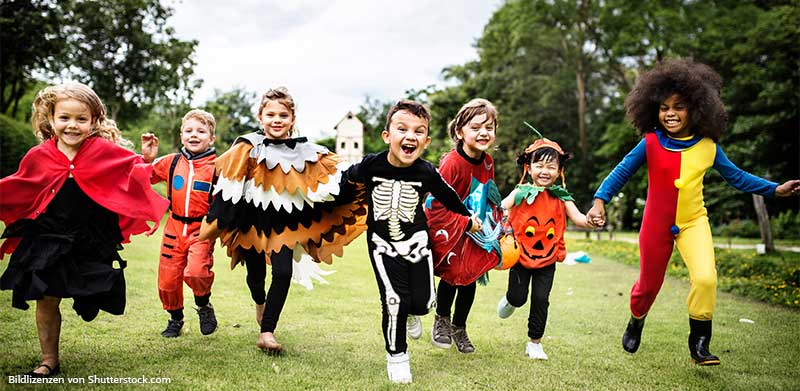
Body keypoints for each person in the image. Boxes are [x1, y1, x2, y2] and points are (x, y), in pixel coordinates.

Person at [585, 58, 800, 365]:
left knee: (705, 278)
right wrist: (599, 200)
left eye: (679, 107)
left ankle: (699, 342)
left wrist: (775, 188)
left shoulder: (709, 146)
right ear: (653, 110)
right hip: (655, 224)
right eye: (664, 108)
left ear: (697, 109)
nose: (670, 114)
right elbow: (621, 172)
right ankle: (636, 320)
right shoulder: (649, 143)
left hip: (693, 222)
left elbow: (737, 177)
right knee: (648, 286)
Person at [0, 82, 169, 377]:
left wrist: (147, 160)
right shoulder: (38, 155)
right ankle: (48, 359)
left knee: (91, 296)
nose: (72, 125)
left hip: (90, 236)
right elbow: (20, 184)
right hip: (48, 235)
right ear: (51, 119)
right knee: (46, 295)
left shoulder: (103, 151)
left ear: (94, 122)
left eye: (81, 119)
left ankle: (86, 301)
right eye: (64, 118)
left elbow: (134, 176)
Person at [199, 87, 366, 354]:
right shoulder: (246, 147)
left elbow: (339, 173)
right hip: (250, 223)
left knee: (283, 272)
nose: (277, 120)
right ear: (260, 117)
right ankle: (259, 302)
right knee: (256, 276)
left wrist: (372, 169)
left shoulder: (308, 151)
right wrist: (215, 222)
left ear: (292, 118)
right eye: (271, 114)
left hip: (285, 226)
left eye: (283, 115)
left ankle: (267, 332)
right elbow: (222, 179)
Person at [345, 100, 481, 384]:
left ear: (426, 141)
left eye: (419, 132)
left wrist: (469, 218)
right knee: (394, 300)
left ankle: (411, 313)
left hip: (418, 241)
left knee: (422, 302)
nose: (410, 136)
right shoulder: (372, 164)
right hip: (381, 244)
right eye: (402, 129)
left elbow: (449, 197)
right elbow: (344, 181)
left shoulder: (426, 171)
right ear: (387, 136)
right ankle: (397, 357)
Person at [496, 130, 596, 360]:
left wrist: (591, 221)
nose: (545, 171)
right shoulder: (521, 192)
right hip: (520, 257)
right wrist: (500, 219)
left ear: (559, 171)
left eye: (551, 166)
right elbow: (502, 206)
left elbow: (579, 218)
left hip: (548, 259)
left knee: (541, 299)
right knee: (519, 297)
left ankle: (535, 343)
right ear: (528, 168)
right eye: (539, 165)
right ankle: (511, 300)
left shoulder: (562, 196)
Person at [424, 98, 502, 354]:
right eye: (476, 127)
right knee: (452, 277)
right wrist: (463, 223)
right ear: (460, 131)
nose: (483, 133)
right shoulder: (452, 163)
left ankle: (460, 327)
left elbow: (487, 193)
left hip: (476, 232)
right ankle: (442, 320)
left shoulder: (488, 161)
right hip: (453, 230)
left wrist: (497, 221)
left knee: (470, 280)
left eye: (489, 127)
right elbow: (436, 203)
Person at [140, 109, 218, 338]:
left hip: (201, 230)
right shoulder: (171, 162)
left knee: (196, 272)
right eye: (189, 130)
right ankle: (175, 319)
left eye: (201, 131)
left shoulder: (218, 167)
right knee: (168, 280)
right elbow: (145, 176)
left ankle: (204, 306)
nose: (194, 135)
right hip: (173, 228)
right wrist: (147, 159)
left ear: (211, 138)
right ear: (181, 134)